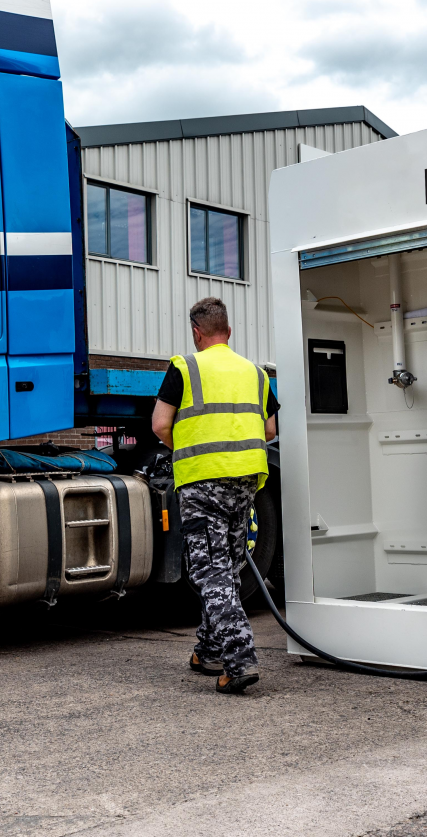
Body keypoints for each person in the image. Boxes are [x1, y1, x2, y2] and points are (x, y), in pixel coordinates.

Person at [151, 297, 278, 695]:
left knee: (211, 572)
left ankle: (239, 660)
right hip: (245, 485)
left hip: (203, 483)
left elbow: (159, 425)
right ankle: (208, 650)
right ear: (228, 331)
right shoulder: (256, 373)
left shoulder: (185, 367)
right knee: (229, 567)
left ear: (196, 332)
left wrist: (187, 450)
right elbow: (270, 430)